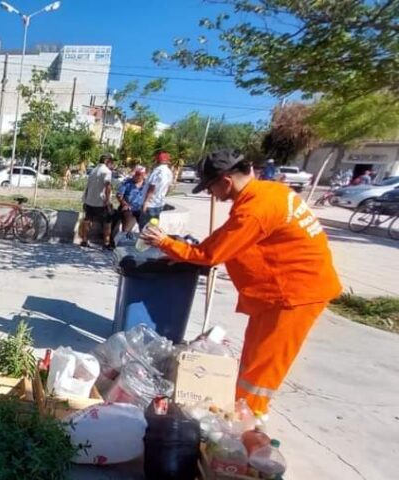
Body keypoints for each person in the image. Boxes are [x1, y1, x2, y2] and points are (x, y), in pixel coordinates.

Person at [141, 150, 341, 416]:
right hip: (280, 292)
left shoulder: (254, 210)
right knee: (252, 357)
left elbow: (213, 255)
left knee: (262, 369)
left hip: (293, 294)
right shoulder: (268, 192)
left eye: (211, 187)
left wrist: (165, 243)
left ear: (225, 181)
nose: (211, 194)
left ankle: (247, 420)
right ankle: (242, 408)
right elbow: (224, 237)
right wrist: (182, 252)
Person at [80, 154, 113, 248]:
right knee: (107, 222)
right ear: (107, 161)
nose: (112, 164)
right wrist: (107, 200)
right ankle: (106, 243)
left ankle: (84, 240)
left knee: (87, 220)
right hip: (101, 202)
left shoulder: (93, 170)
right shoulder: (107, 172)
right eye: (111, 161)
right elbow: (108, 186)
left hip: (89, 200)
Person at [142, 151, 173, 224]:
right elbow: (169, 187)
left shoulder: (157, 171)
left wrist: (146, 203)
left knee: (145, 228)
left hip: (151, 204)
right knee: (154, 225)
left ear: (157, 160)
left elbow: (152, 188)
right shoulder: (169, 172)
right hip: (160, 203)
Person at [118, 166, 148, 231]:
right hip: (128, 208)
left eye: (139, 174)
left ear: (143, 175)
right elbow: (119, 195)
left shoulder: (146, 184)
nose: (137, 176)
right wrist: (124, 204)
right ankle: (124, 237)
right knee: (126, 228)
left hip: (140, 208)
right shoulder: (127, 182)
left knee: (146, 227)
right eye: (136, 174)